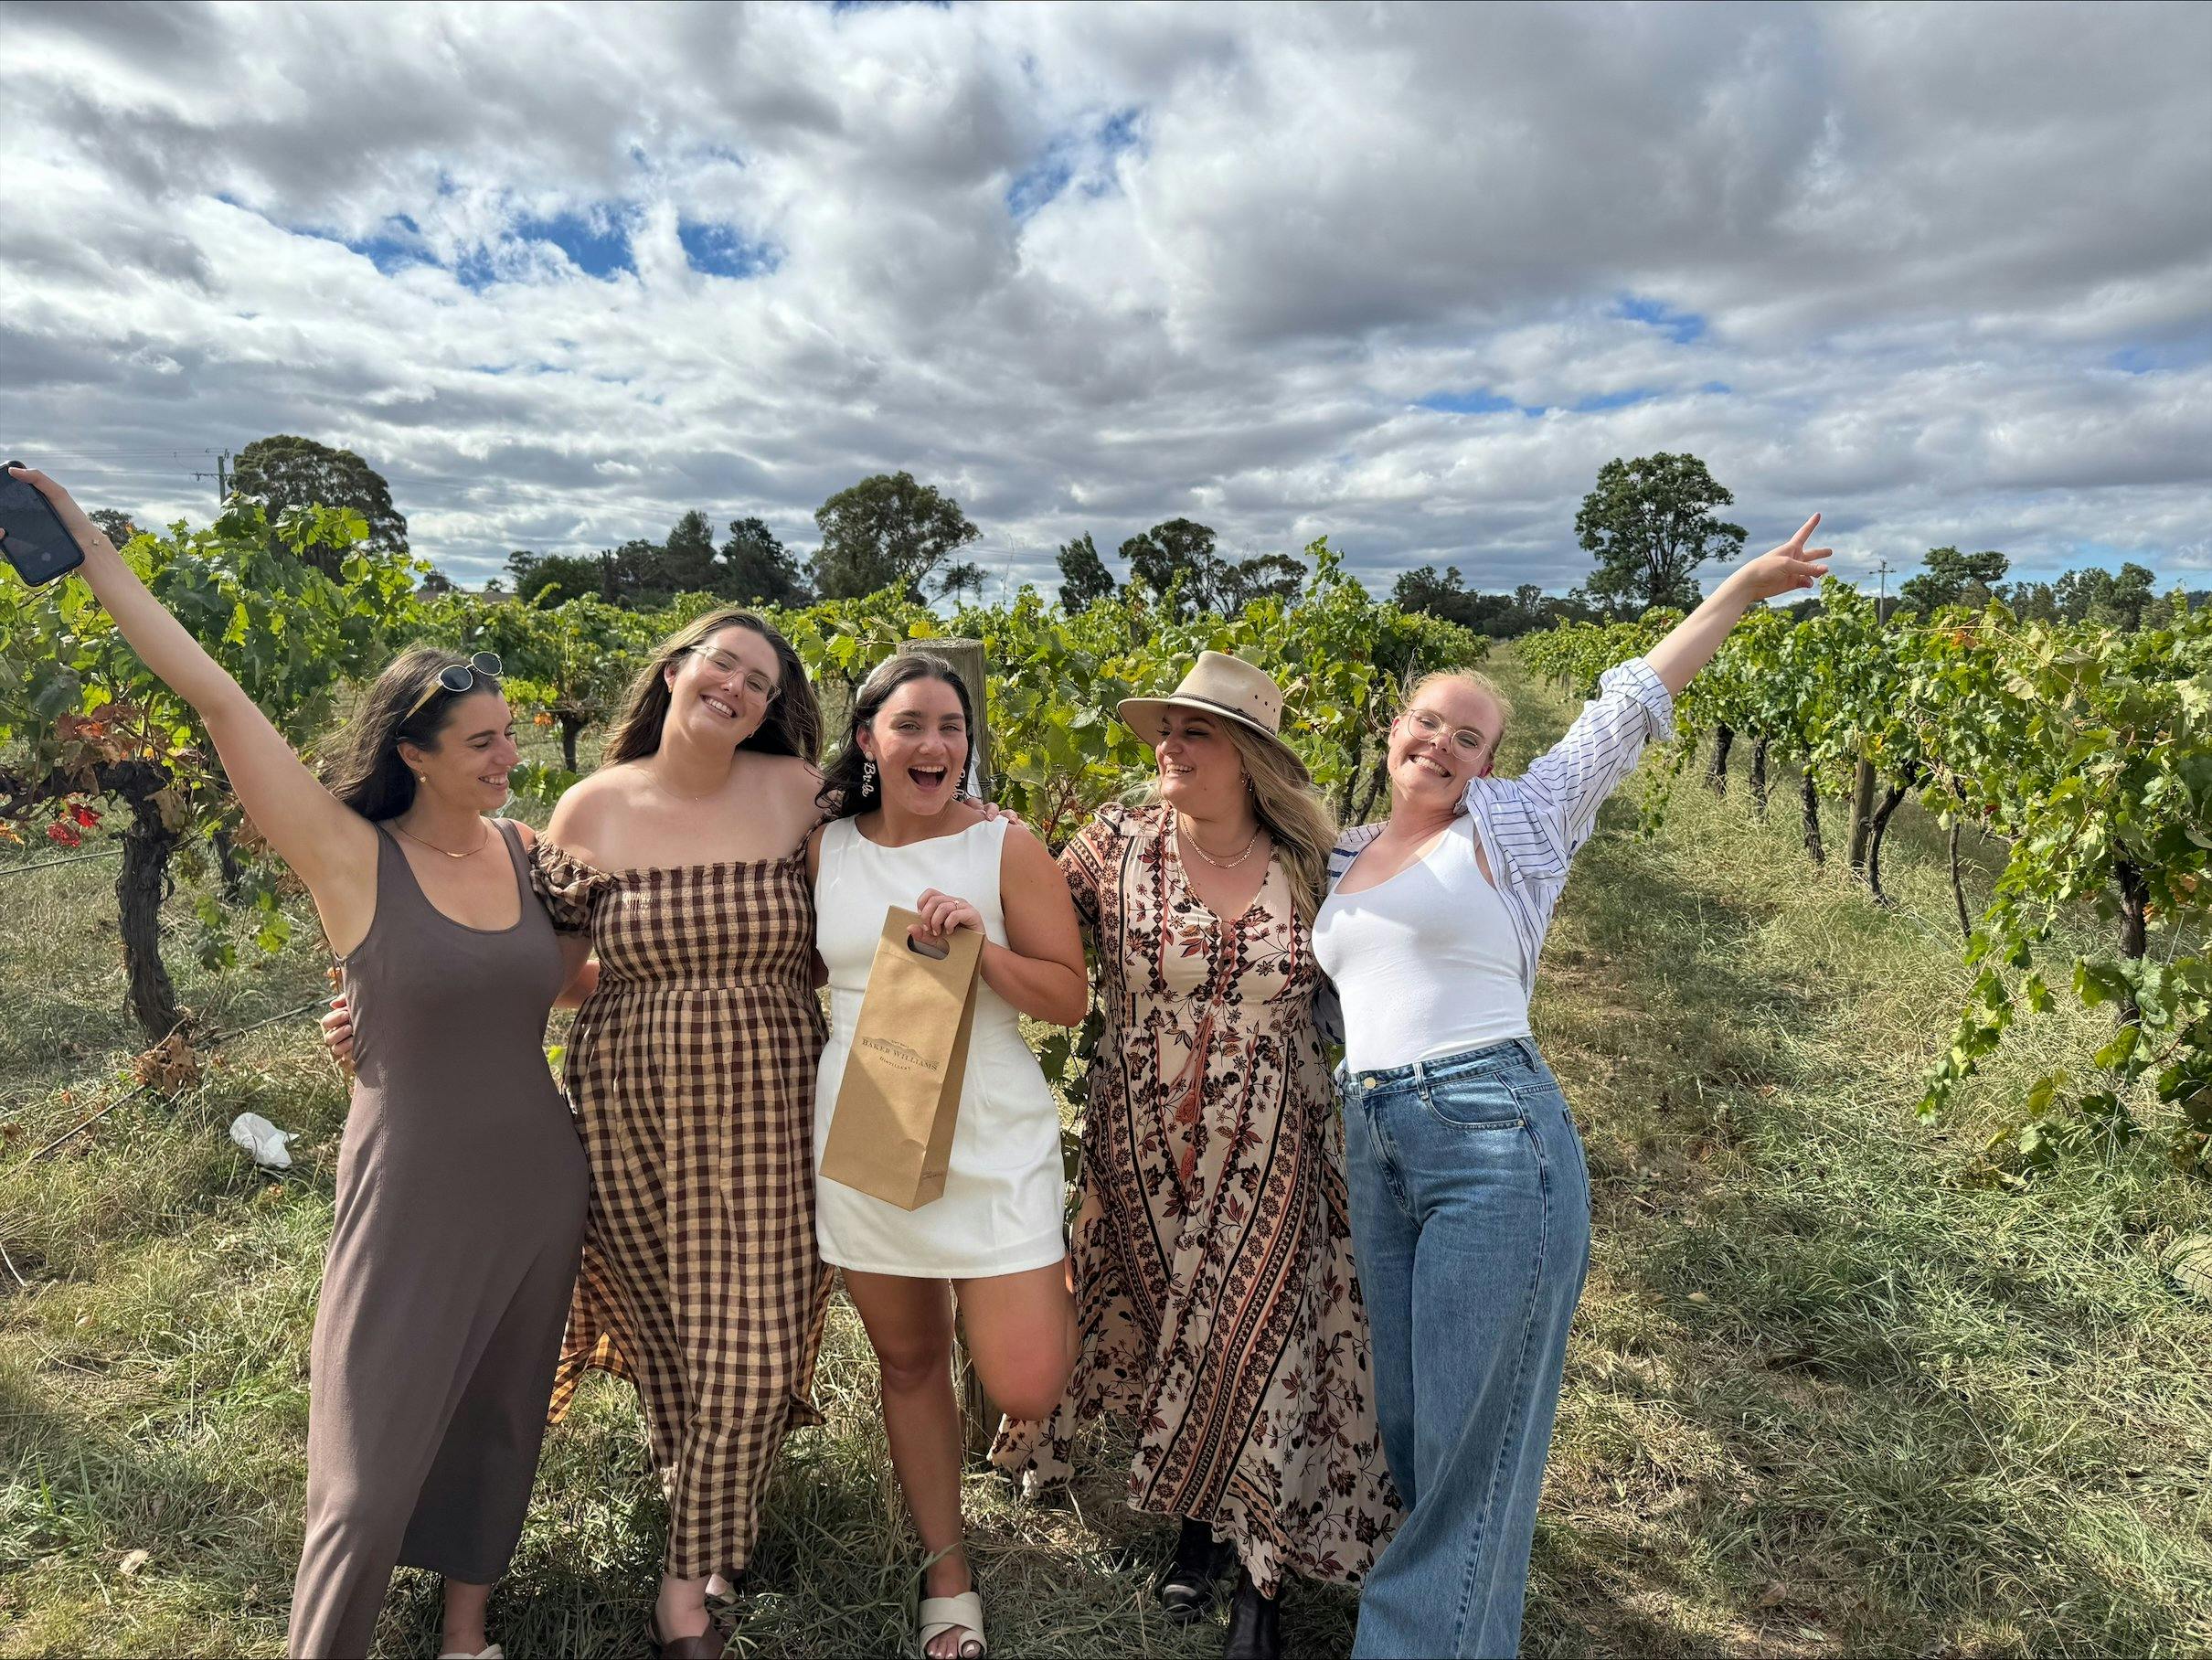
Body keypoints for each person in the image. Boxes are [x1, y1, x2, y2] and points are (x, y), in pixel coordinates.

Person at [4, 466, 591, 1660]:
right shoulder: (347, 858)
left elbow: (564, 987)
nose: (510, 758)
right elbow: (216, 698)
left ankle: (465, 1637)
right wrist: (85, 541)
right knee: (364, 1481)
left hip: (540, 1183)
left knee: (499, 1422)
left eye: (513, 736)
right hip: (412, 1191)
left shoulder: (530, 853)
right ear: (417, 753)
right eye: (483, 742)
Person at [1313, 516, 1833, 1659]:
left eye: (1467, 734)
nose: (1440, 743)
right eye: (1424, 722)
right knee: (1423, 1441)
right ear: (1390, 732)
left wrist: (1739, 590)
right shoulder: (1338, 855)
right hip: (1375, 1142)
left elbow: (1627, 705)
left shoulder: (1517, 825)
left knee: (1471, 1450)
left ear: (1489, 761)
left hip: (1492, 1136)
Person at [994, 651, 1400, 1660]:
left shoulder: (1317, 860)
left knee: (1263, 1336)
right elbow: (1026, 926)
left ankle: (1260, 1585)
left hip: (1278, 1136)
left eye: (1195, 733)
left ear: (1250, 756)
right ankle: (1196, 1523)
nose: (1168, 749)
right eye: (1164, 732)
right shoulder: (1112, 847)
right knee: (1187, 1330)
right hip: (1140, 1138)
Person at [806, 651, 1084, 1660]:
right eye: (910, 724)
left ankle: (1037, 1282)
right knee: (910, 1357)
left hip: (990, 1133)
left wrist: (979, 946)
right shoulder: (824, 849)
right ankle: (946, 1569)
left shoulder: (1003, 845)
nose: (933, 744)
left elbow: (1066, 995)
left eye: (950, 728)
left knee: (1024, 1382)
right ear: (868, 739)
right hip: (870, 1120)